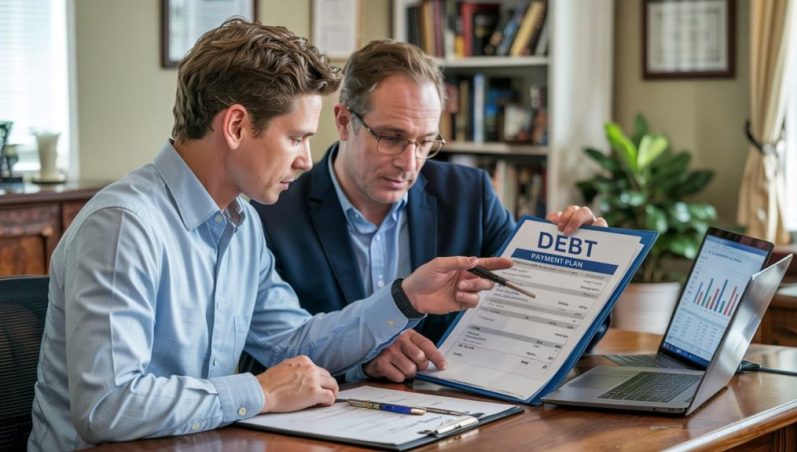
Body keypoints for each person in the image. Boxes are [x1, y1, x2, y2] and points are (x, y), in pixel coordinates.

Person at [28, 20, 511, 451]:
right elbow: (108, 407)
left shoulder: (242, 223)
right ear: (237, 125)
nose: (305, 160)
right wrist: (260, 391)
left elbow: (293, 341)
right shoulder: (123, 226)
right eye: (296, 137)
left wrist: (405, 298)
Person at [247, 39, 607, 383]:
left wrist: (584, 272)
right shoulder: (272, 214)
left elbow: (538, 322)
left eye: (425, 142)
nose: (409, 163)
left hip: (457, 409)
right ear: (343, 121)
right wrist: (360, 360)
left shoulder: (471, 196)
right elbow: (265, 355)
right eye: (391, 138)